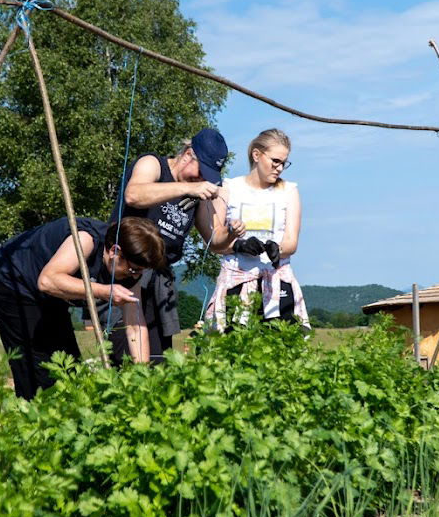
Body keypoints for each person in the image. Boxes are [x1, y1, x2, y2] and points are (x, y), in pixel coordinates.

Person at [0, 215, 167, 399]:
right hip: (13, 280)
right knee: (38, 372)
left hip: (50, 296)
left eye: (142, 272)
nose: (135, 276)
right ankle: (27, 410)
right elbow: (47, 281)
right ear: (115, 251)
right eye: (133, 269)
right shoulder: (85, 240)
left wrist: (142, 376)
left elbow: (135, 326)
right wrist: (104, 291)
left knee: (69, 371)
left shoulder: (131, 273)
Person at [107, 127, 228, 363]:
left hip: (158, 285)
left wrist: (233, 235)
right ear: (188, 154)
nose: (201, 180)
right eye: (201, 172)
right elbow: (134, 195)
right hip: (125, 273)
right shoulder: (153, 164)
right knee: (125, 361)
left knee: (158, 362)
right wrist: (188, 188)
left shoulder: (196, 192)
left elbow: (215, 240)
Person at [203, 128, 310, 330]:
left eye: (284, 163)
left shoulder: (289, 191)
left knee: (281, 343)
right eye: (275, 161)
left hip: (276, 280)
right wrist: (238, 245)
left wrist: (277, 248)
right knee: (232, 342)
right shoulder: (228, 188)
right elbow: (214, 239)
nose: (279, 168)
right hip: (237, 281)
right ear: (256, 155)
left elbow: (291, 242)